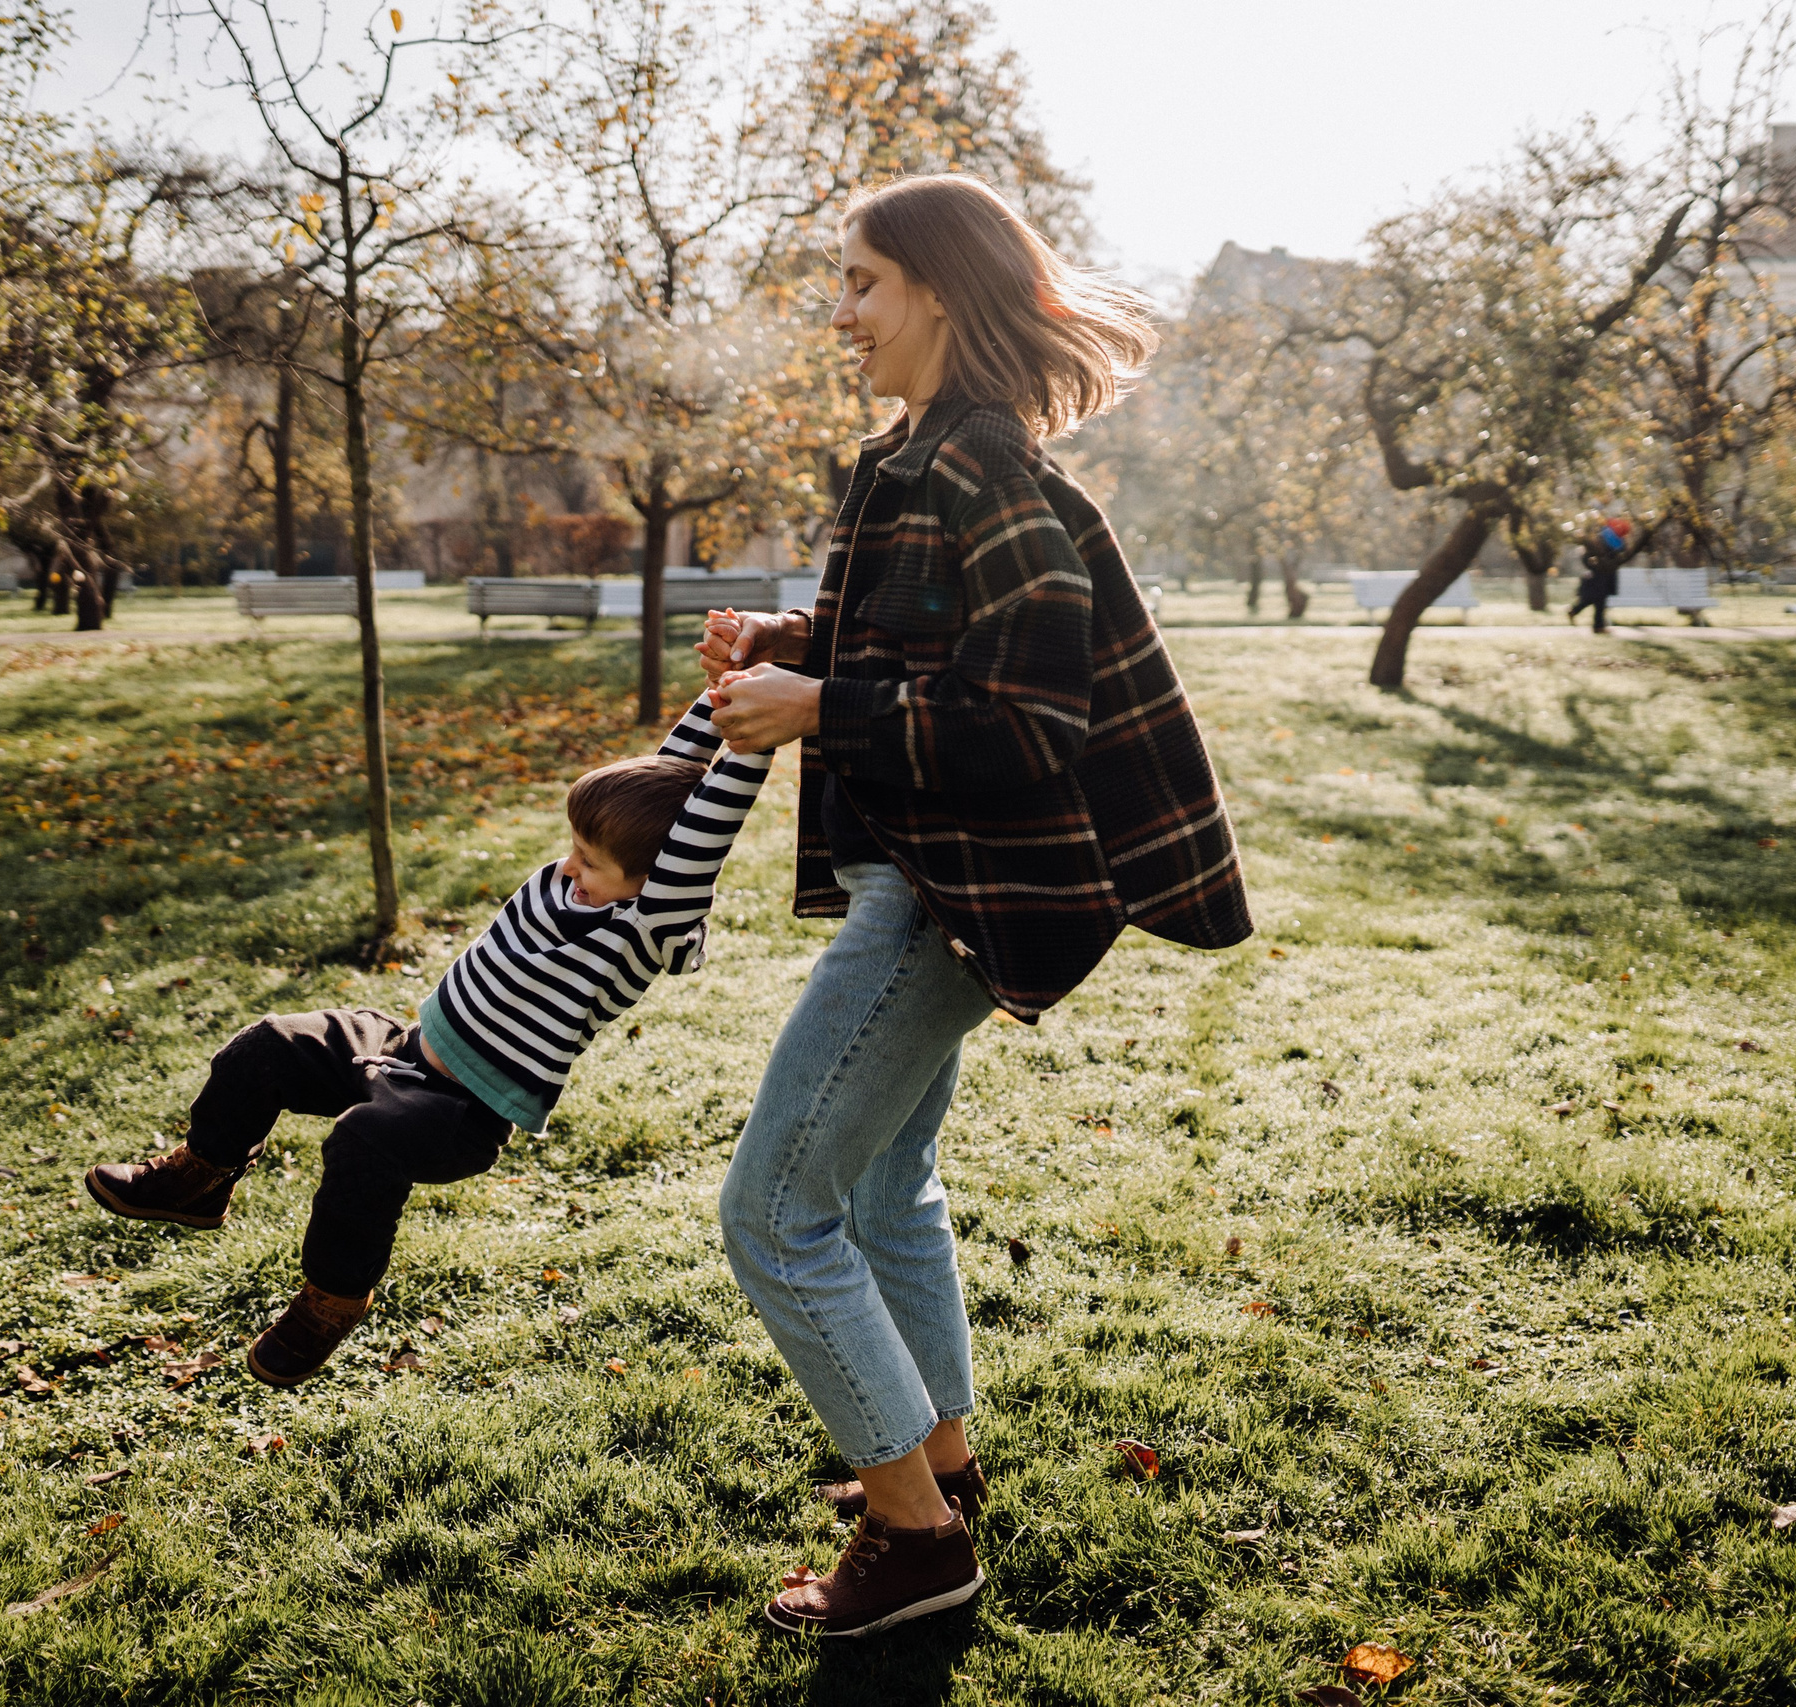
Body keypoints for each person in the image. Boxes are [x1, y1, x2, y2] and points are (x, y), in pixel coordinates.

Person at [698, 173, 1251, 1639]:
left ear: (941, 289)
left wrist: (822, 699)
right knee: (883, 1187)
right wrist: (796, 639)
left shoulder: (985, 465)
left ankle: (915, 1537)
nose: (842, 311)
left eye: (865, 282)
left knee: (772, 1207)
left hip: (951, 893)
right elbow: (928, 638)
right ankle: (938, 1456)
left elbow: (1025, 714)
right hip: (928, 872)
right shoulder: (921, 454)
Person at [80, 691, 774, 1385]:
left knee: (362, 1140)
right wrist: (728, 692)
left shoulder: (645, 923)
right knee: (266, 1044)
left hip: (458, 1112)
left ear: (656, 883)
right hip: (403, 1046)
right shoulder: (592, 874)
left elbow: (704, 826)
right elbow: (666, 775)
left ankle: (333, 1299)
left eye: (588, 862)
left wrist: (760, 730)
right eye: (574, 849)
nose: (568, 868)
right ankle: (200, 1176)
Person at [1569, 516, 1630, 633]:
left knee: (1595, 598)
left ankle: (1576, 611)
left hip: (1600, 573)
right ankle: (1598, 625)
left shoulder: (1602, 537)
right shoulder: (1610, 541)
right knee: (1600, 599)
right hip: (1601, 573)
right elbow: (1621, 550)